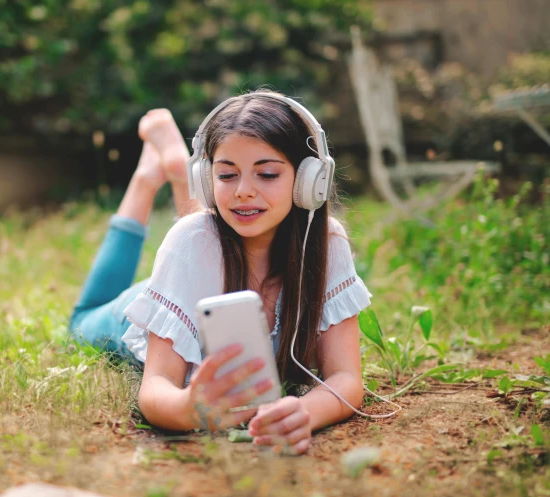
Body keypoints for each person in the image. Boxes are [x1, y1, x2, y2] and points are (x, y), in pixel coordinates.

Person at [69, 91, 371, 454]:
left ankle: (170, 162)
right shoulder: (189, 243)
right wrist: (187, 407)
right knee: (80, 321)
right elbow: (156, 387)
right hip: (156, 305)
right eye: (226, 175)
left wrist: (305, 411)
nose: (244, 191)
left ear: (310, 180)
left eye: (267, 173)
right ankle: (147, 178)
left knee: (203, 233)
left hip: (197, 274)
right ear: (206, 179)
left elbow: (348, 379)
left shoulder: (326, 243)